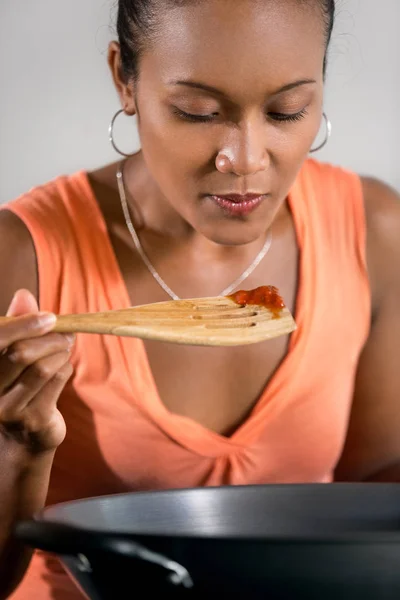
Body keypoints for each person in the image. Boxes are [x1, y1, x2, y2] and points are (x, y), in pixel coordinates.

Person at [0, 0, 400, 598]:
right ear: (124, 80)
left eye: (287, 110)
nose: (245, 159)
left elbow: (373, 496)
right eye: (197, 112)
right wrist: (17, 448)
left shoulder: (373, 231)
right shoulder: (24, 257)